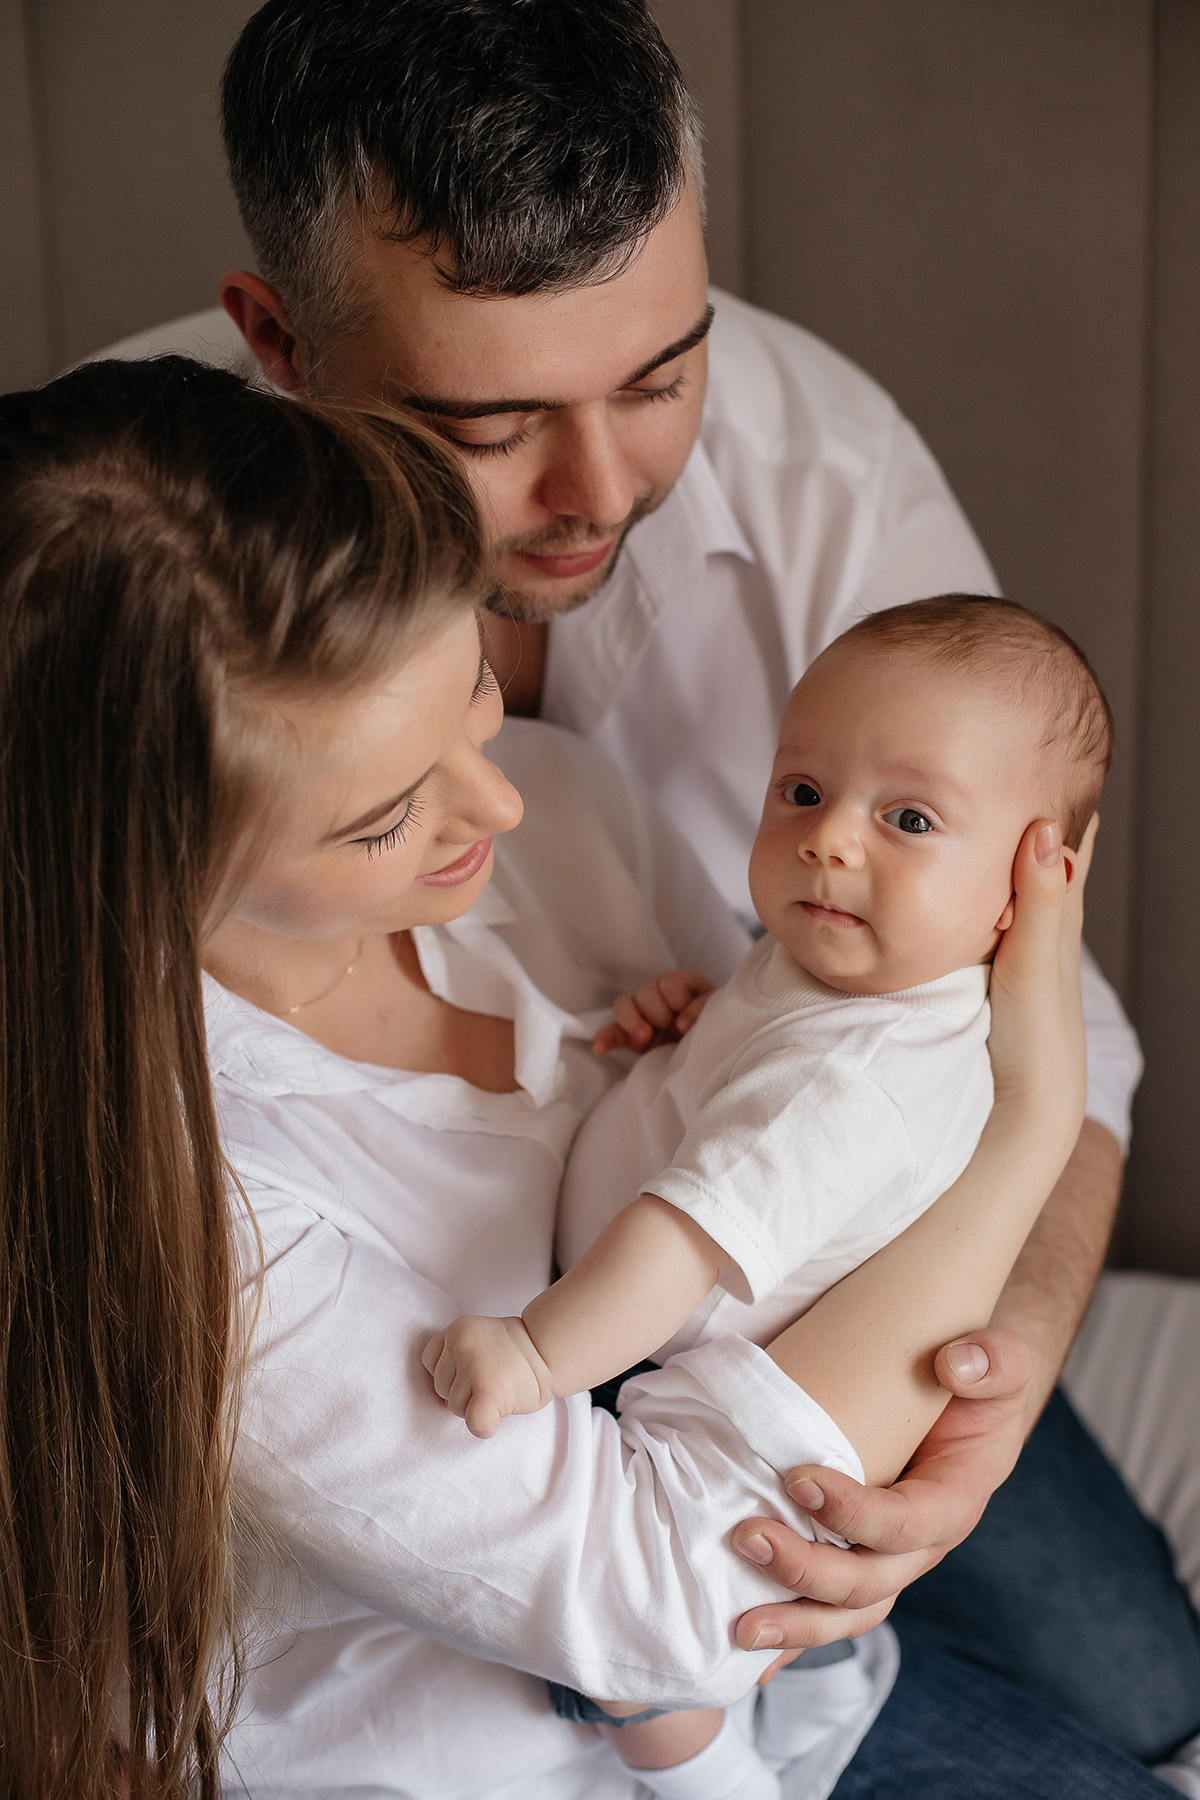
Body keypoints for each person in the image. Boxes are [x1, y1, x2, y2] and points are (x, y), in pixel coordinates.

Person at [93, 0, 1200, 1766]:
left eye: (660, 375)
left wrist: (996, 1341)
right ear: (277, 341)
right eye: (492, 420)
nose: (599, 494)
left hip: (830, 1207)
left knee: (1143, 1686)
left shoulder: (813, 463)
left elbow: (1035, 981)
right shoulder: (123, 580)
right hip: (555, 1338)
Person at [424, 596, 1110, 1797]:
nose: (830, 839)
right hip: (729, 1354)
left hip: (725, 1424)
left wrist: (537, 1361)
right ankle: (822, 1694)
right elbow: (738, 1093)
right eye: (802, 790)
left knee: (636, 1671)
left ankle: (719, 1773)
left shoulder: (845, 1076)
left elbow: (678, 1243)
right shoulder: (842, 973)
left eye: (907, 818)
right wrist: (681, 1041)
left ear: (1022, 893)